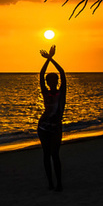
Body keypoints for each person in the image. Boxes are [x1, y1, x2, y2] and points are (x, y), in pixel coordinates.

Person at [37, 45, 67, 191]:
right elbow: (41, 75)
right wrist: (47, 61)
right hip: (43, 127)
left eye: (55, 81)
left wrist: (51, 58)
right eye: (51, 81)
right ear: (48, 83)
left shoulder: (61, 92)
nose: (53, 82)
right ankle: (50, 183)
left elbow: (62, 73)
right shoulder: (45, 92)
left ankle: (59, 183)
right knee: (46, 154)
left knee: (55, 154)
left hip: (55, 128)